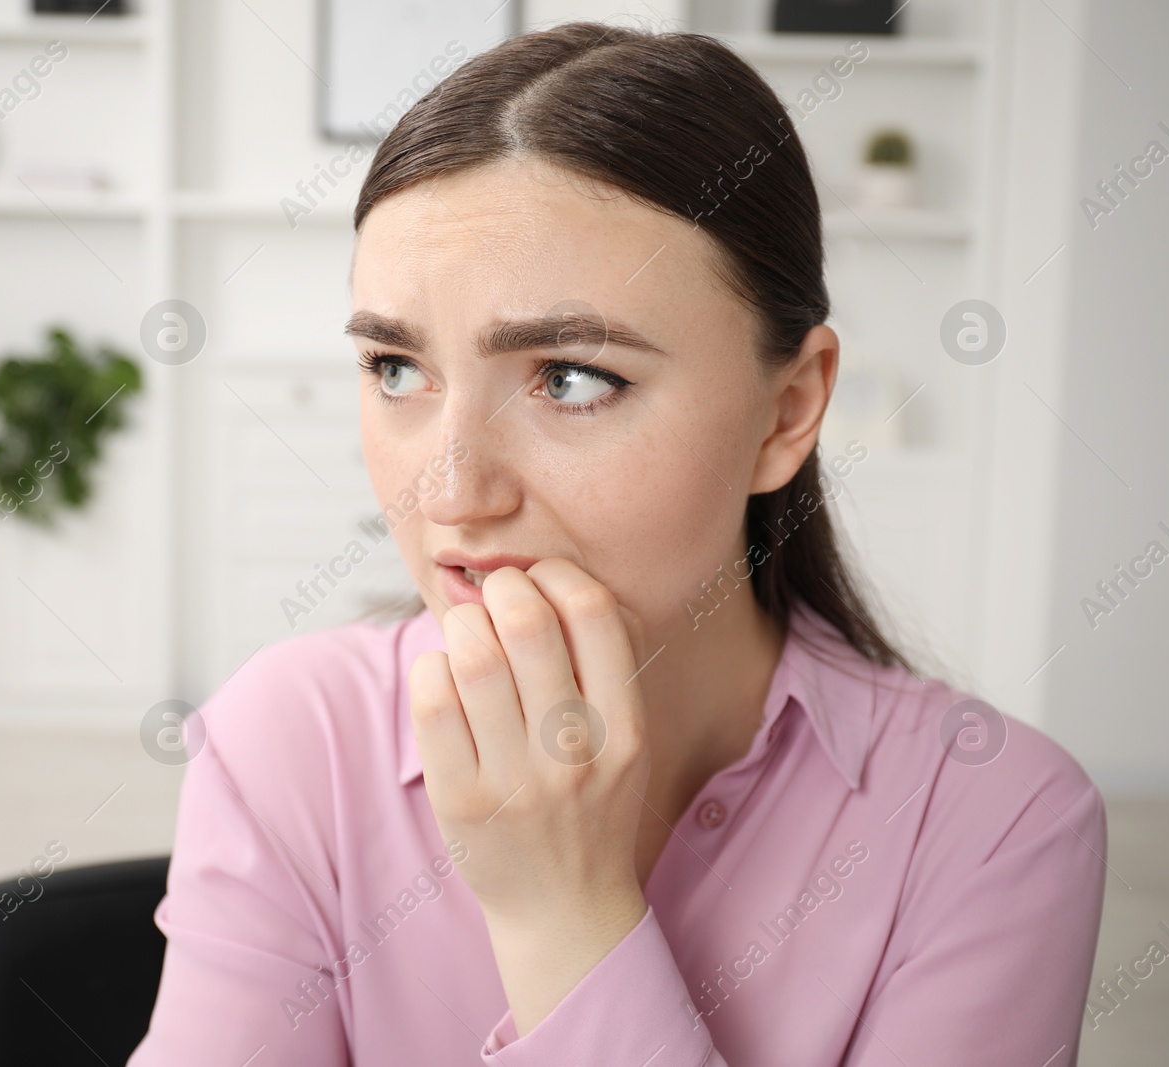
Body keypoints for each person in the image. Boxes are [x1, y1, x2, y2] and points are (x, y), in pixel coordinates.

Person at [127, 22, 1106, 1066]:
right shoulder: (288, 738)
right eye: (396, 368)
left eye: (571, 377)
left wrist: (563, 913)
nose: (451, 492)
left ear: (786, 409)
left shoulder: (997, 823)